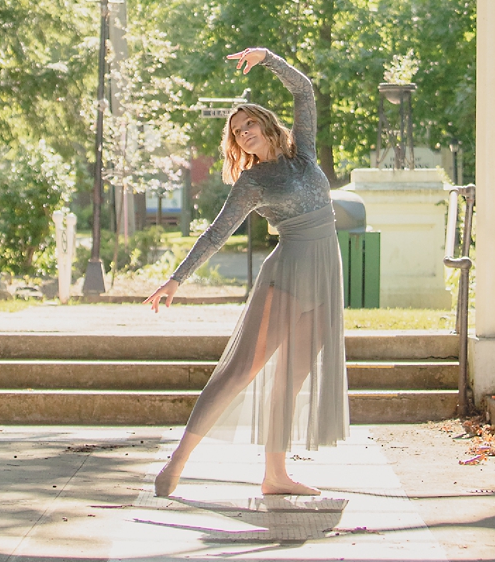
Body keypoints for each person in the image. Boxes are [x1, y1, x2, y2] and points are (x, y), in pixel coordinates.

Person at [146, 47, 346, 498]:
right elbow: (216, 234)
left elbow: (304, 90)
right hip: (289, 273)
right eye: (237, 133)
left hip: (325, 274)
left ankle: (275, 476)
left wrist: (268, 58)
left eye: (248, 124)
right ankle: (178, 460)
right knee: (241, 371)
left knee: (291, 381)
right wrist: (176, 279)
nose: (244, 134)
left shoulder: (304, 155)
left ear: (265, 122)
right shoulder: (252, 182)